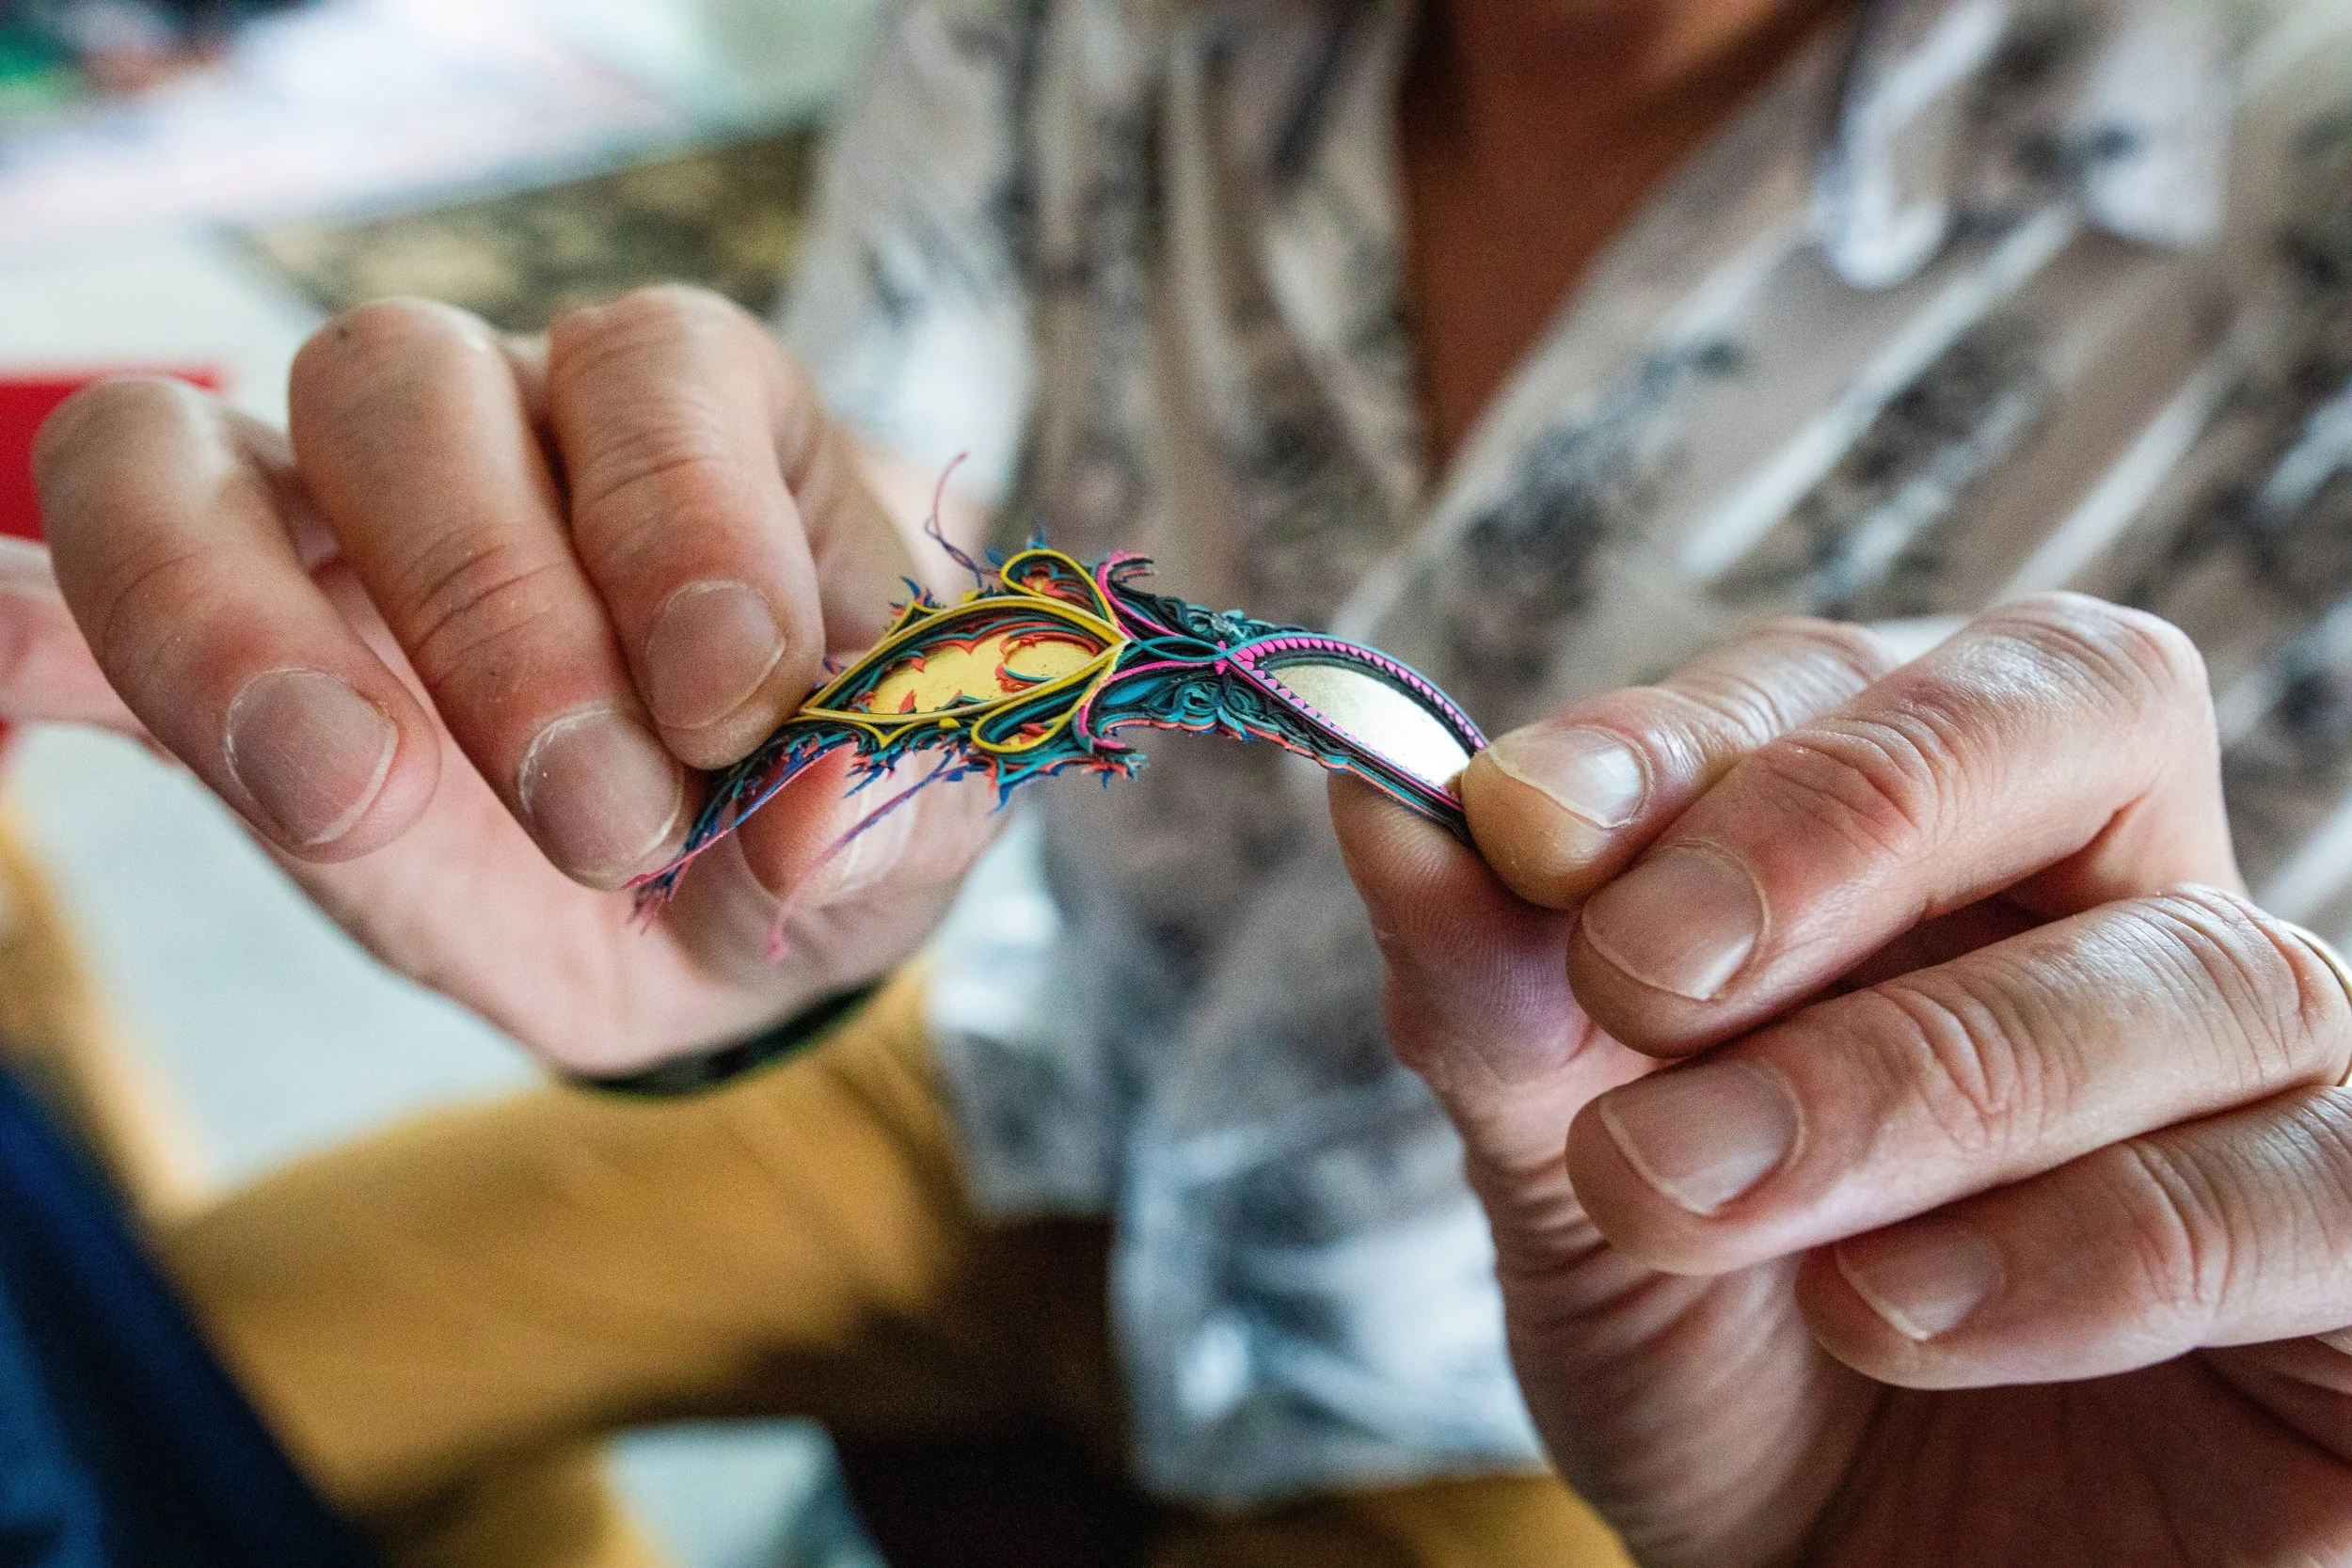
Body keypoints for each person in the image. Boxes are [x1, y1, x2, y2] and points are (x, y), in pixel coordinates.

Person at [16, 0, 2352, 1562]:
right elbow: (829, 620)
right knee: (102, 1412)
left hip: (1661, 1381)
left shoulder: (2296, 212)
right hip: (1009, 1096)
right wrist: (723, 865)